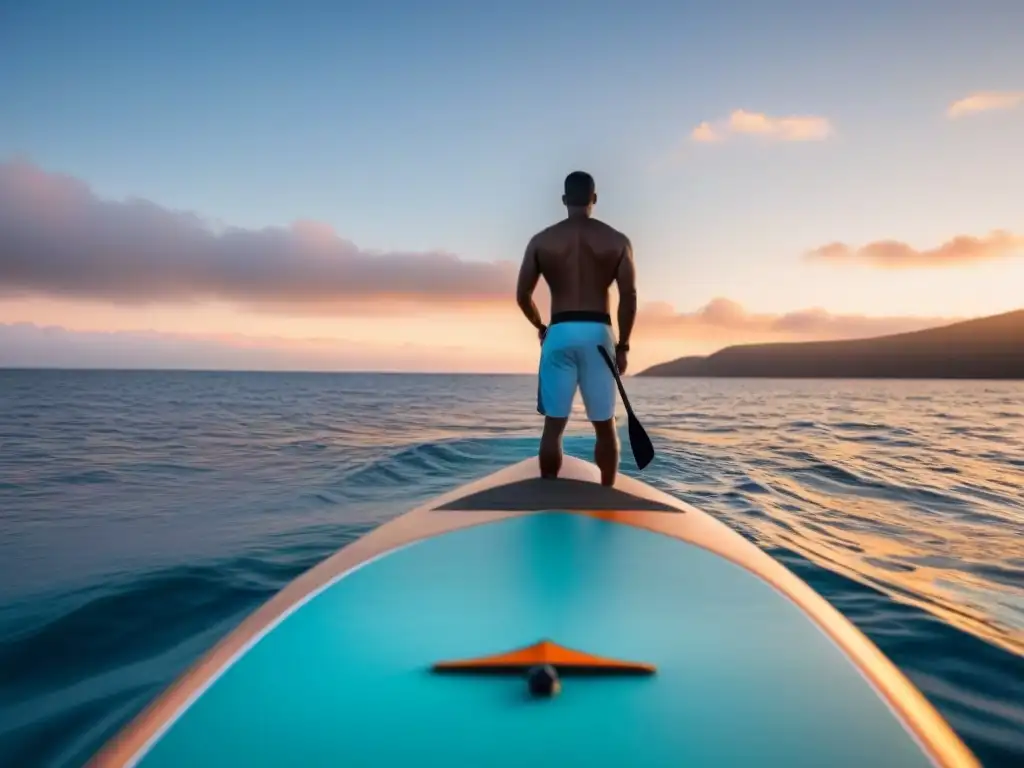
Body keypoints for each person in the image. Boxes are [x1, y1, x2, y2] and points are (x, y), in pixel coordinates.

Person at [515, 170, 637, 487]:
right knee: (605, 426)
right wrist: (623, 346)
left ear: (564, 200)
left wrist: (541, 326)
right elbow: (629, 296)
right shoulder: (617, 241)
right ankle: (607, 494)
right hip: (599, 334)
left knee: (553, 427)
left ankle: (548, 495)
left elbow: (522, 296)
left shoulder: (541, 241)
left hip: (560, 332)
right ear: (594, 199)